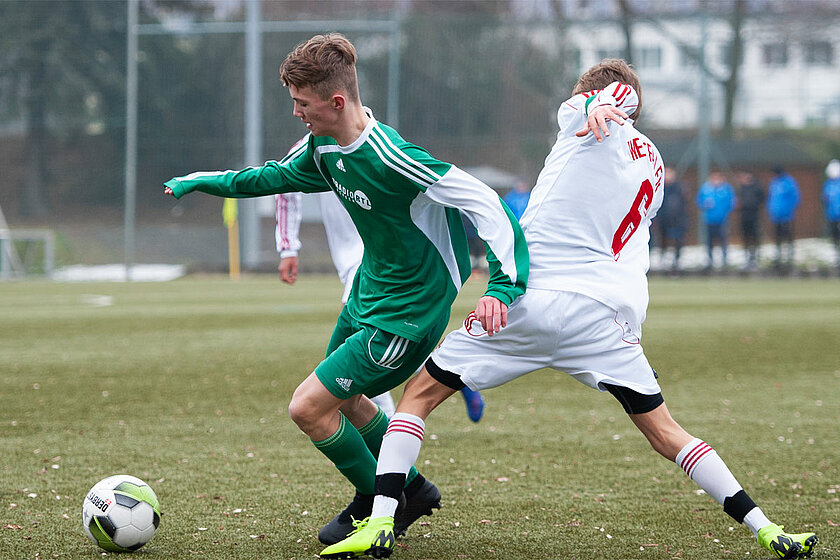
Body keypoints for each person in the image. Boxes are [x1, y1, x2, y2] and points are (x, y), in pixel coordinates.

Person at [320, 59, 818, 560]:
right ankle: (767, 528)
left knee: (416, 399)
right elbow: (628, 239)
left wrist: (602, 101)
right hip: (603, 318)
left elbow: (593, 103)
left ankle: (381, 521)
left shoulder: (583, 117)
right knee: (668, 434)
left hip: (529, 301)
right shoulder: (656, 165)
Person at [163, 33, 530, 546]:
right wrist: (207, 180)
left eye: (301, 103)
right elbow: (271, 178)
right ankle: (411, 488)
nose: (296, 113)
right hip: (366, 295)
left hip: (406, 314)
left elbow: (487, 205)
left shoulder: (396, 159)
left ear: (336, 102)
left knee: (307, 408)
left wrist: (501, 286)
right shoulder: (325, 145)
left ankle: (380, 501)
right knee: (350, 399)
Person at [276, 187, 487, 422]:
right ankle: (446, 370)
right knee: (372, 350)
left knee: (364, 353)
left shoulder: (385, 152)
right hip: (356, 258)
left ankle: (388, 437)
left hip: (382, 256)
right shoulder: (314, 150)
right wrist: (288, 247)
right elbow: (285, 185)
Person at [695, 171, 737, 270]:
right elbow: (699, 201)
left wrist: (725, 212)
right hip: (709, 220)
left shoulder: (726, 189)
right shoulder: (705, 189)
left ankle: (724, 261)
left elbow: (731, 203)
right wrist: (704, 205)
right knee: (709, 241)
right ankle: (709, 261)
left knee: (723, 241)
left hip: (722, 220)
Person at [766, 166, 801, 271]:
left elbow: (795, 198)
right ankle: (778, 258)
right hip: (776, 216)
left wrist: (789, 211)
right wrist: (771, 211)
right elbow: (771, 198)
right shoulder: (774, 182)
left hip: (787, 216)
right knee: (778, 238)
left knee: (788, 237)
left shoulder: (789, 182)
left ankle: (789, 258)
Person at [654, 166, 687, 273]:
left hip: (677, 221)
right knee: (662, 240)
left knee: (677, 241)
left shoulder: (679, 188)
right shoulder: (659, 188)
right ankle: (663, 261)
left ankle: (677, 262)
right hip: (663, 220)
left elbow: (683, 206)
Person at [737, 171, 765, 271]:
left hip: (754, 217)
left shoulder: (756, 188)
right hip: (744, 218)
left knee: (755, 238)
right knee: (746, 238)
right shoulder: (741, 189)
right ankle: (747, 260)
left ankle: (755, 260)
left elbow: (761, 200)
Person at [822, 159, 840, 269]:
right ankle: (836, 259)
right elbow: (824, 199)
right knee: (834, 238)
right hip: (831, 216)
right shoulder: (827, 184)